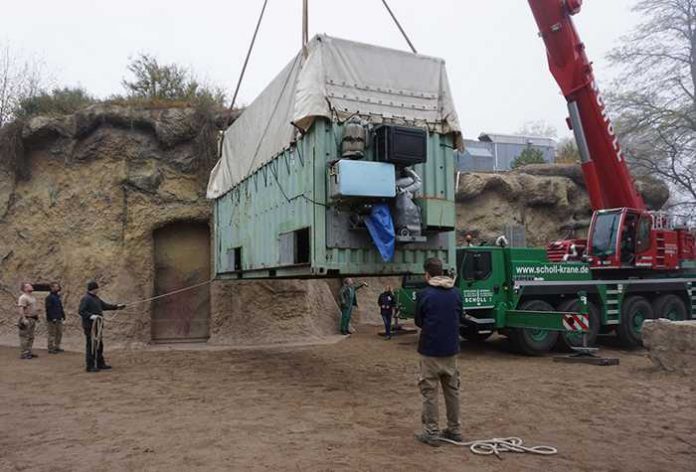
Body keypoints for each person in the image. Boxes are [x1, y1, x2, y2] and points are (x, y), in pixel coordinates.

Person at [414, 258, 463, 447]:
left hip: (430, 351)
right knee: (452, 391)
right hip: (451, 351)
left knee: (429, 393)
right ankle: (455, 430)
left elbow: (419, 320)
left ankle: (431, 432)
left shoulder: (424, 294)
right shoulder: (456, 293)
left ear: (427, 274)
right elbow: (459, 315)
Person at [78, 281, 125, 372]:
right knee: (91, 345)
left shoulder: (96, 298)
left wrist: (117, 307)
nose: (98, 290)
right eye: (97, 288)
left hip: (98, 326)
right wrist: (91, 316)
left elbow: (105, 306)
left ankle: (100, 363)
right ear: (94, 289)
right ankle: (90, 366)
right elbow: (81, 311)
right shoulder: (86, 299)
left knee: (99, 345)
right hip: (90, 326)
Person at [17, 283, 38, 360]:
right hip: (27, 318)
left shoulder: (32, 297)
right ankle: (24, 353)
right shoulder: (23, 297)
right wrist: (23, 319)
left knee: (31, 337)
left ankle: (29, 351)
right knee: (24, 337)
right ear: (25, 289)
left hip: (32, 319)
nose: (31, 286)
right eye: (29, 286)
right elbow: (21, 309)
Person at [45, 282, 66, 354]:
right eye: (56, 287)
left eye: (58, 286)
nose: (58, 288)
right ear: (52, 288)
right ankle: (51, 347)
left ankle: (57, 346)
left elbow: (60, 307)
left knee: (59, 333)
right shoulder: (49, 297)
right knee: (52, 333)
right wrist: (52, 317)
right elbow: (48, 309)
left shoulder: (57, 297)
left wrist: (63, 316)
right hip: (52, 319)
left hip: (59, 318)